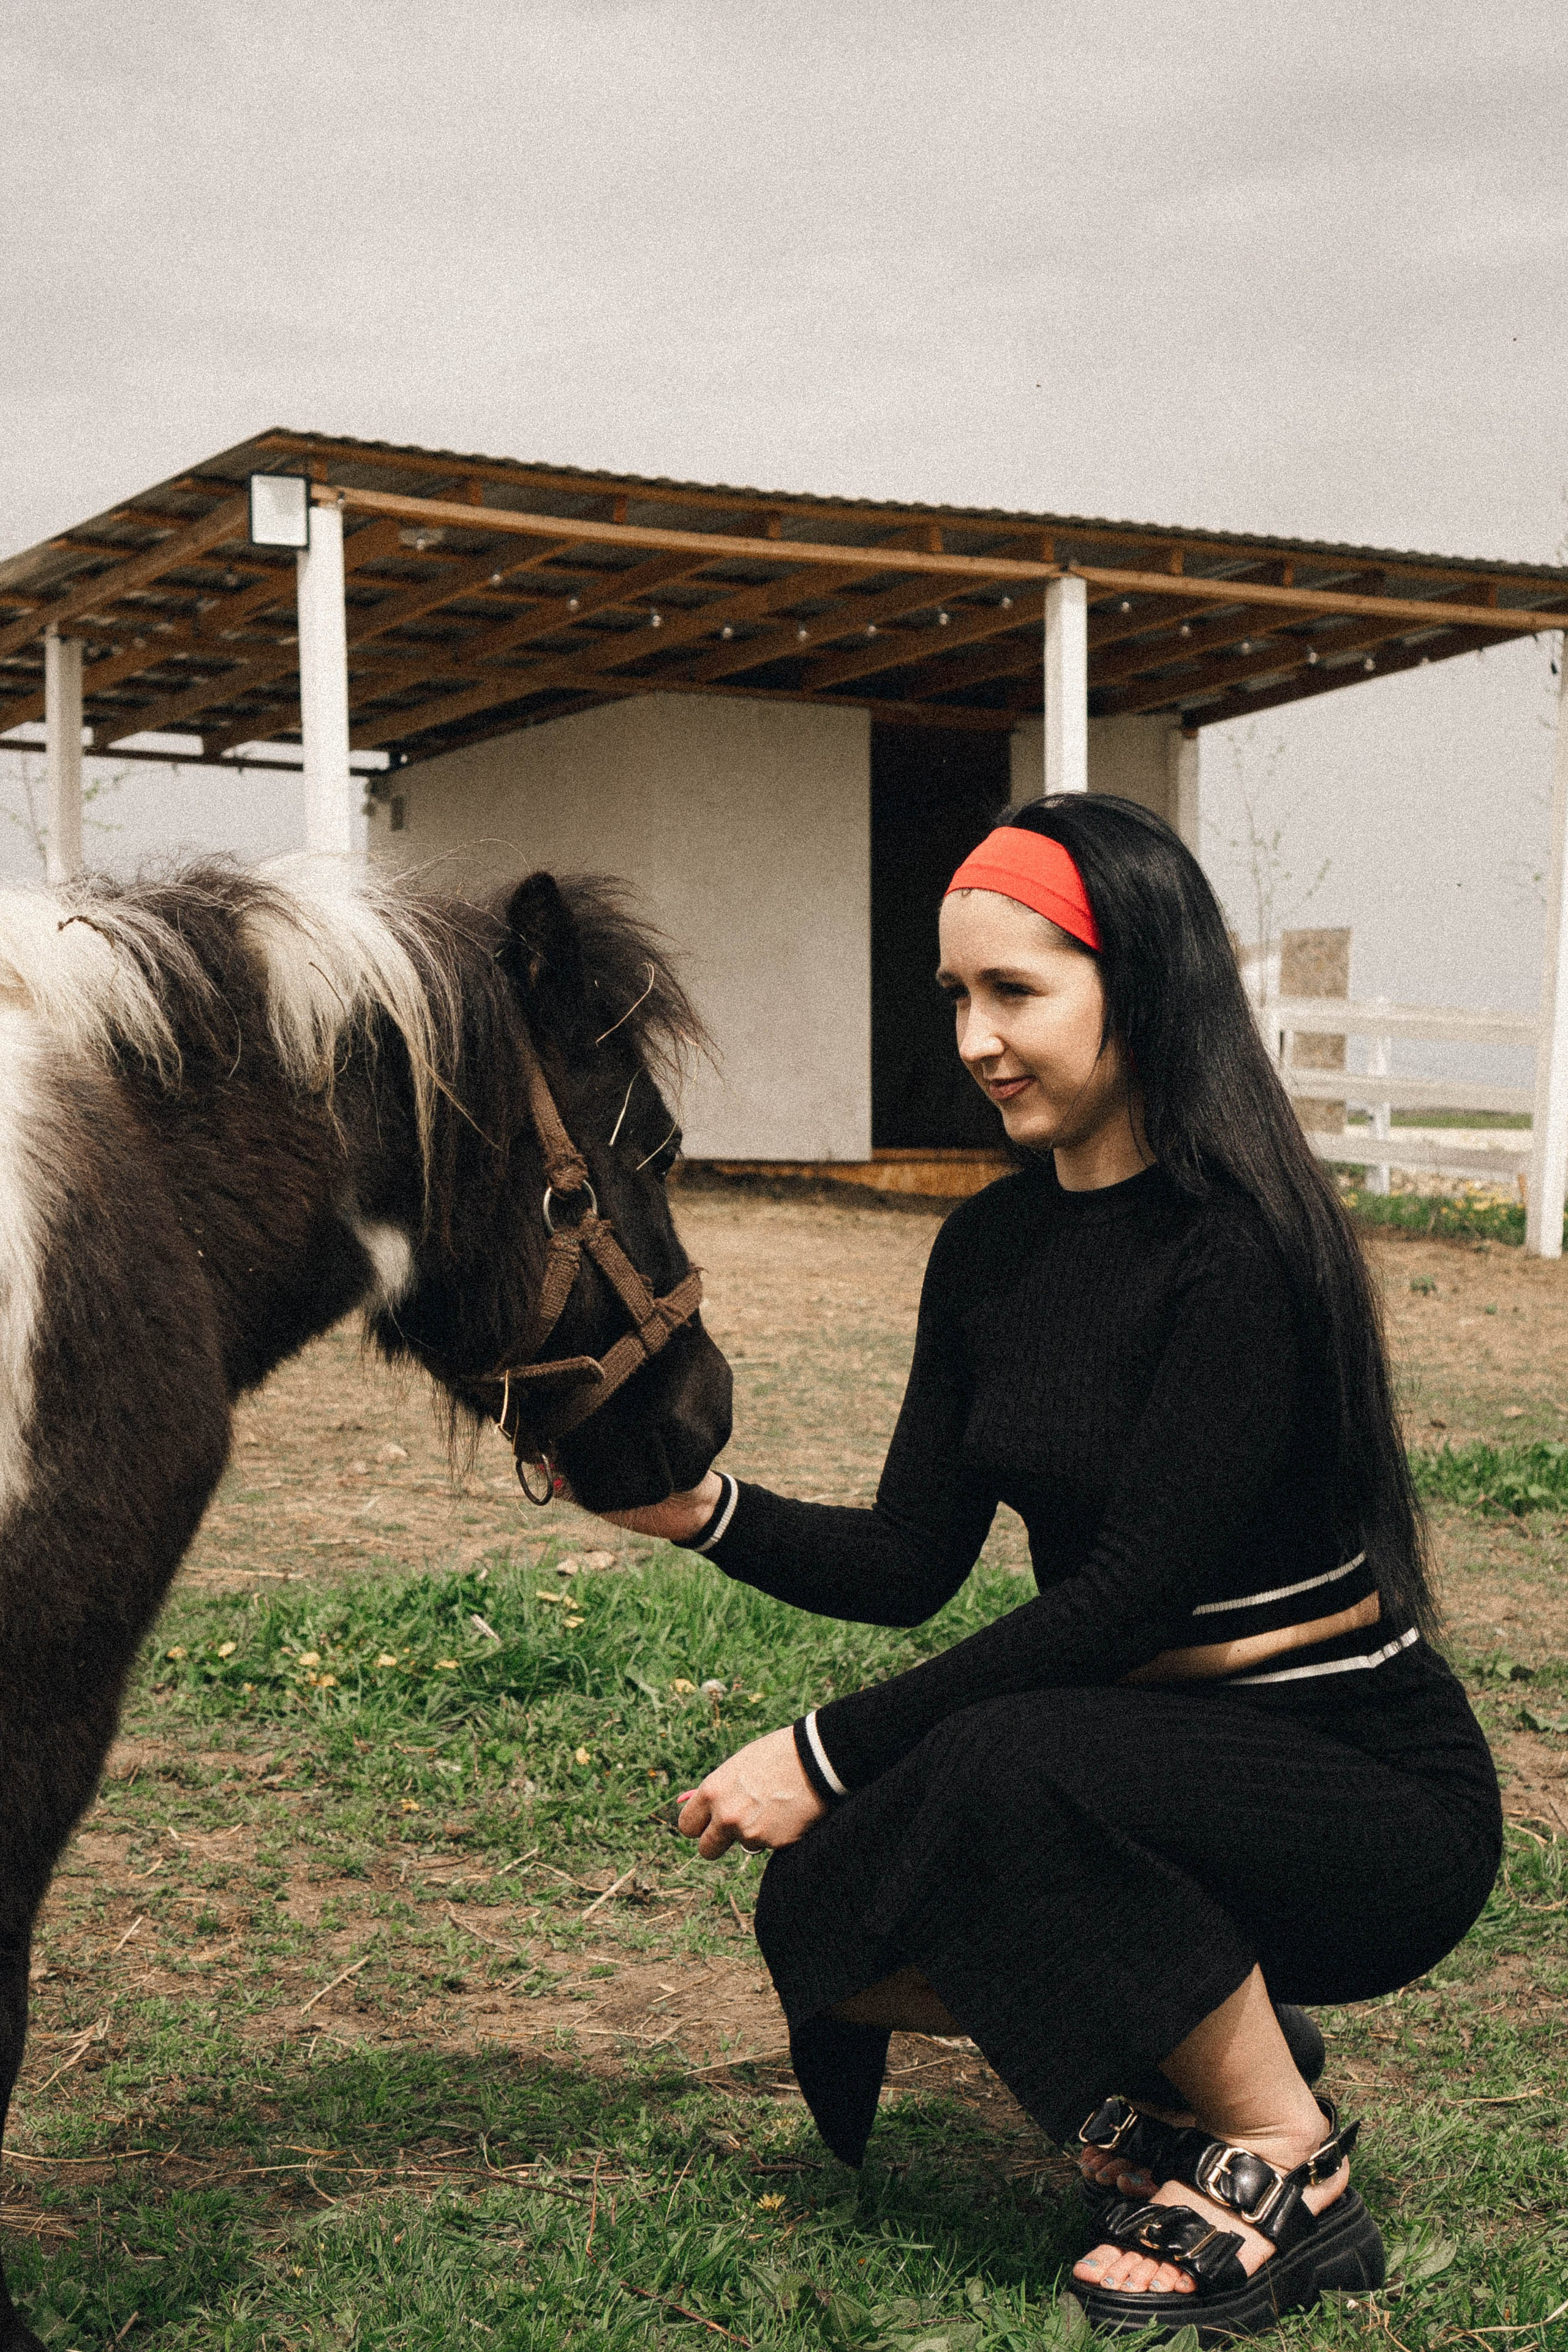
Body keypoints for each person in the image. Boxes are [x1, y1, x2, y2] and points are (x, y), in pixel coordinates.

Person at [600, 794, 1501, 2340]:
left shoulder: (1241, 1250)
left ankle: (1287, 2159)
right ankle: (1196, 2039)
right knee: (824, 1902)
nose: (974, 1038)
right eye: (955, 995)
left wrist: (821, 1747)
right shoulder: (989, 1250)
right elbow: (907, 1558)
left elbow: (1125, 1602)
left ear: (1139, 984)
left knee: (1000, 1762)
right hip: (1141, 1762)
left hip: (1357, 1791)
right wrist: (698, 1510)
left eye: (1015, 991)